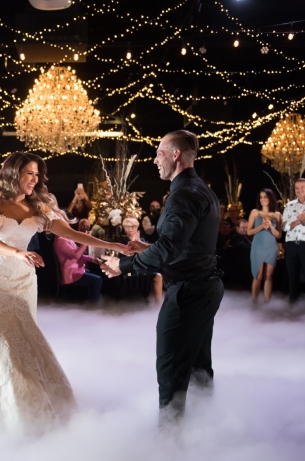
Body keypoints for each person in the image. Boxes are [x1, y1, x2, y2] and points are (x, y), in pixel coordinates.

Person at [0, 152, 127, 436]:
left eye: (37, 174)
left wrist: (110, 243)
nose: (35, 178)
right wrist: (18, 252)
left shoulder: (38, 207)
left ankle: (30, 402)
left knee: (24, 336)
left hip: (23, 281)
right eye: (29, 172)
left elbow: (73, 234)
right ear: (13, 173)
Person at [100, 130, 223, 425]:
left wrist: (125, 265)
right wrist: (147, 248)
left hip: (189, 293)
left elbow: (170, 249)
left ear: (175, 154)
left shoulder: (183, 194)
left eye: (159, 153)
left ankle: (169, 446)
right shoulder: (202, 189)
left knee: (170, 371)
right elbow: (187, 246)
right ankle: (209, 431)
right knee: (198, 366)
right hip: (205, 288)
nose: (155, 160)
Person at [247, 189, 282, 303]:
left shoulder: (277, 215)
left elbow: (279, 235)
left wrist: (271, 227)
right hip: (257, 247)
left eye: (265, 197)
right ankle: (254, 303)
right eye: (261, 197)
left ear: (270, 199)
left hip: (271, 247)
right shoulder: (255, 212)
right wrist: (262, 226)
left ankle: (267, 303)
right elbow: (249, 232)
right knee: (258, 276)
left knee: (268, 276)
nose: (263, 199)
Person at [119, 217, 163, 305]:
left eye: (133, 226)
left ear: (137, 228)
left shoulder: (142, 240)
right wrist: (133, 243)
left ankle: (158, 305)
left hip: (142, 268)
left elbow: (146, 256)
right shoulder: (121, 241)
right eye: (127, 227)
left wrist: (138, 241)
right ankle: (145, 301)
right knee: (145, 275)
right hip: (128, 272)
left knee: (158, 275)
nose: (130, 229)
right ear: (124, 228)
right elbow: (124, 258)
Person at [54, 233, 103, 302]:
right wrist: (86, 241)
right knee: (98, 280)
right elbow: (76, 255)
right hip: (71, 274)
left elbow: (79, 255)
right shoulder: (60, 241)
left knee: (101, 274)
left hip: (77, 270)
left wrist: (92, 259)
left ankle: (99, 304)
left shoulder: (65, 238)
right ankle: (93, 307)